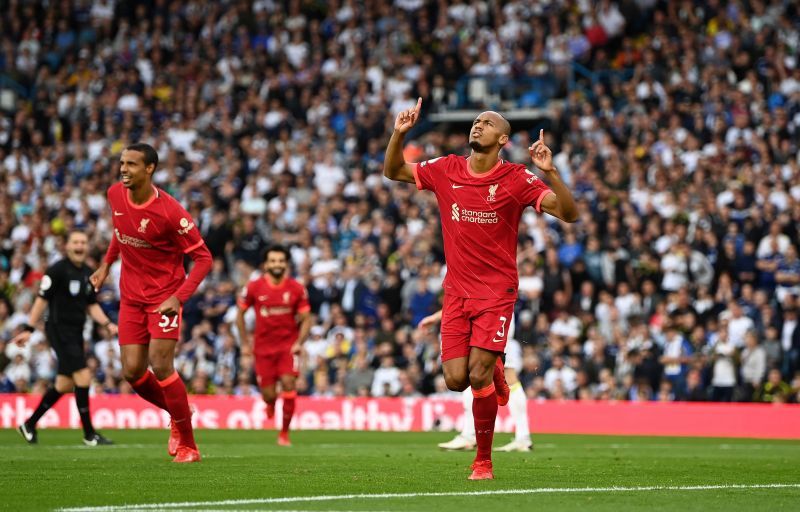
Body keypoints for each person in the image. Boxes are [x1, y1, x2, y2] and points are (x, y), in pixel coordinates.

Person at [384, 98, 577, 479]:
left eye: (487, 123)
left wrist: (551, 173)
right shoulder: (446, 168)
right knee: (456, 380)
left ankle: (483, 461)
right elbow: (393, 171)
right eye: (475, 121)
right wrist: (399, 133)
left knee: (477, 377)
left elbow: (569, 213)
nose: (477, 126)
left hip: (496, 293)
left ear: (503, 138)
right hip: (456, 293)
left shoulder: (517, 178)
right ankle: (497, 366)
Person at [90, 143, 212, 463]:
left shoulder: (171, 212)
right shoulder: (115, 194)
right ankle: (177, 411)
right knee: (132, 371)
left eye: (131, 164)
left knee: (160, 365)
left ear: (150, 169)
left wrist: (178, 297)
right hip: (130, 296)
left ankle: (188, 445)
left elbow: (203, 258)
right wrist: (105, 265)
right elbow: (121, 230)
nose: (124, 169)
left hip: (163, 298)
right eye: (122, 163)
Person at [14, 230, 117, 446]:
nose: (79, 246)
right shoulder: (57, 270)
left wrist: (108, 324)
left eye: (83, 242)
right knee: (83, 376)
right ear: (67, 246)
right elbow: (41, 300)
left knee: (63, 384)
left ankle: (29, 424)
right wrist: (29, 329)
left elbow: (91, 304)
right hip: (59, 331)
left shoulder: (88, 272)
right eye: (75, 242)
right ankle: (89, 434)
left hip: (76, 332)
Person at [420, 310, 533, 453]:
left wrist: (436, 317)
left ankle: (470, 435)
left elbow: (469, 296)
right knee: (500, 374)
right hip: (497, 313)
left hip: (491, 316)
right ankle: (521, 437)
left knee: (479, 371)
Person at [236, 244, 312, 446]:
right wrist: (244, 343)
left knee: (289, 384)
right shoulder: (254, 287)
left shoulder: (296, 288)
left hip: (288, 347)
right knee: (269, 394)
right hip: (262, 349)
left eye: (280, 261)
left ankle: (284, 434)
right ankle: (269, 403)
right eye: (273, 261)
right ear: (266, 264)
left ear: (286, 264)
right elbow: (240, 315)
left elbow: (306, 318)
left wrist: (299, 342)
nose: (277, 264)